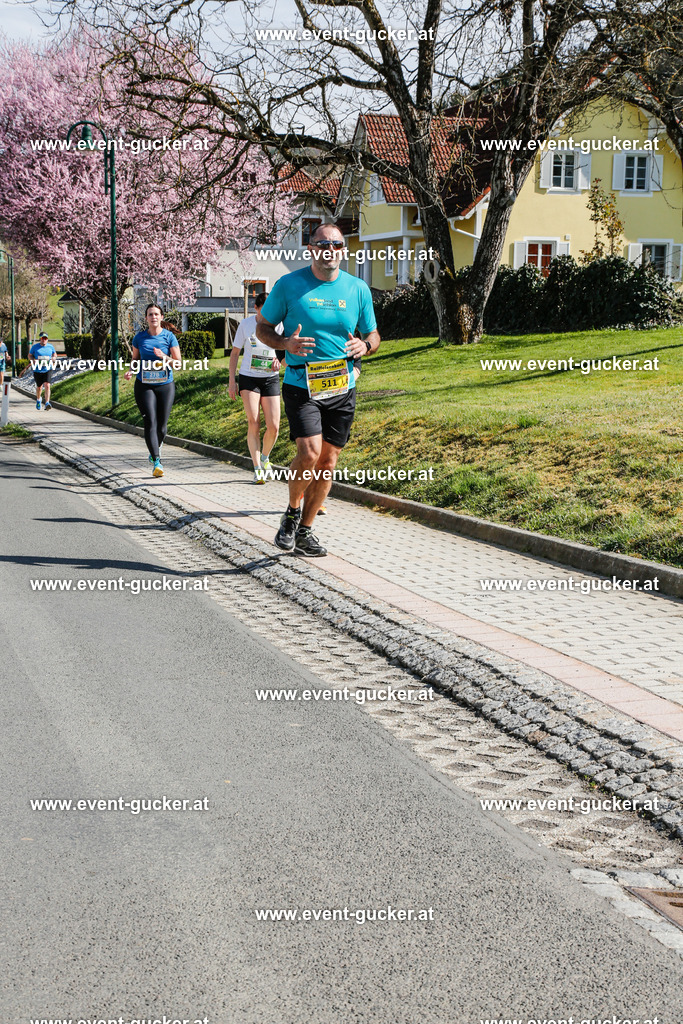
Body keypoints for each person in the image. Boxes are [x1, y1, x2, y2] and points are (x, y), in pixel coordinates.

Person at [256, 222, 380, 556]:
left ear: (343, 250)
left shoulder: (357, 289)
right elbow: (262, 328)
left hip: (342, 386)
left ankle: (306, 531)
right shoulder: (289, 285)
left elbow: (373, 335)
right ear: (311, 248)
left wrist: (364, 348)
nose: (330, 250)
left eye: (336, 245)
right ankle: (292, 512)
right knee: (309, 453)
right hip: (301, 383)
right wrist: (285, 344)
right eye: (322, 244)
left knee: (327, 461)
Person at [228, 292, 283, 484]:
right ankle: (257, 467)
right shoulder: (246, 325)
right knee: (254, 421)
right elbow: (235, 354)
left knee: (274, 426)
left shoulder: (280, 325)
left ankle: (265, 457)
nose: (270, 313)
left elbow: (283, 353)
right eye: (265, 309)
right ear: (256, 308)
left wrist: (279, 362)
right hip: (249, 378)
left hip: (271, 378)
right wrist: (232, 381)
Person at [124, 303, 180, 478]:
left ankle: (154, 448)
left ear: (161, 317)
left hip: (165, 385)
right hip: (144, 384)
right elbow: (135, 359)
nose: (153, 317)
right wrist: (131, 371)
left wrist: (164, 356)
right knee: (150, 421)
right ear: (146, 318)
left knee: (162, 427)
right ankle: (157, 460)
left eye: (156, 314)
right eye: (150, 314)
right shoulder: (139, 338)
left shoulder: (169, 337)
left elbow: (177, 363)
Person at [29, 332, 57, 410]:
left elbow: (54, 354)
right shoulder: (35, 347)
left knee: (47, 385)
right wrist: (33, 360)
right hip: (37, 369)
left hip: (47, 368)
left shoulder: (50, 347)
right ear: (40, 339)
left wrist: (54, 358)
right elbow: (30, 355)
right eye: (42, 338)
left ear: (47, 339)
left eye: (45, 338)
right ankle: (38, 400)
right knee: (39, 387)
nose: (44, 340)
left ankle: (47, 402)